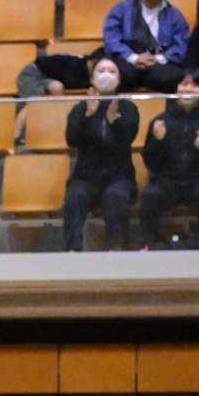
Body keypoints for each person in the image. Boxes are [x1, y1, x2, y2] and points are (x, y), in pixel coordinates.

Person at [138, 72, 199, 246]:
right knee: (151, 196)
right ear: (176, 88)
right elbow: (150, 161)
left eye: (195, 85)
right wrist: (159, 141)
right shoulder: (160, 121)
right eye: (184, 84)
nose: (188, 89)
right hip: (166, 180)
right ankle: (147, 246)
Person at [62, 56, 140, 250]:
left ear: (119, 79)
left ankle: (117, 248)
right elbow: (72, 140)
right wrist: (88, 116)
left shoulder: (128, 108)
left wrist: (114, 120)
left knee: (116, 196)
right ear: (92, 78)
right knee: (75, 196)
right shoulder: (80, 108)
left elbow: (127, 139)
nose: (106, 75)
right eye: (101, 71)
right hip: (85, 177)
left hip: (119, 177)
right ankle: (72, 250)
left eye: (112, 72)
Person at [102, 0, 191, 92]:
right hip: (128, 62)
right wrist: (134, 58)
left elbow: (181, 45)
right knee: (112, 75)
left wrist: (158, 59)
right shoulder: (122, 9)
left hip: (160, 65)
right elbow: (111, 37)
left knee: (177, 77)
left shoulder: (174, 14)